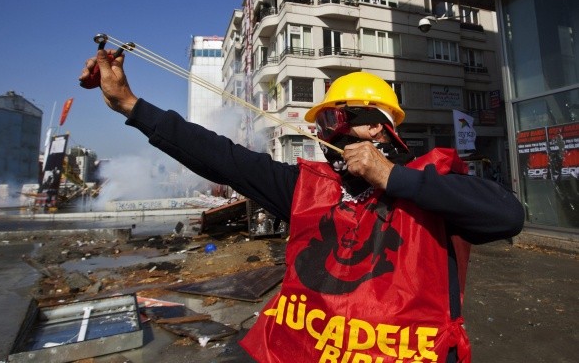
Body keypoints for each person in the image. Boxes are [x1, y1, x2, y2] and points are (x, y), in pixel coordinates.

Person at [80, 49, 524, 363]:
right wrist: (131, 106)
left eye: (335, 120)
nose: (326, 136)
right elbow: (222, 157)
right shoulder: (310, 188)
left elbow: (507, 215)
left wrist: (393, 178)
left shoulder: (434, 183)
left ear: (377, 128)